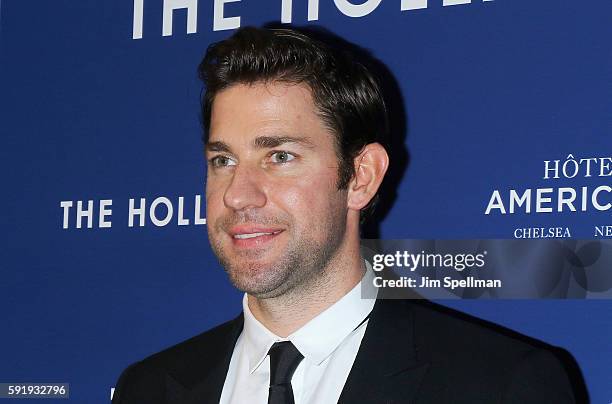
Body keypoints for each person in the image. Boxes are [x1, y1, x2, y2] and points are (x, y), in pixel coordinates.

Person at [112, 26, 578, 403]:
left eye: (280, 157)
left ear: (361, 177)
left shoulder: (500, 385)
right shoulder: (148, 388)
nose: (238, 195)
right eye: (223, 161)